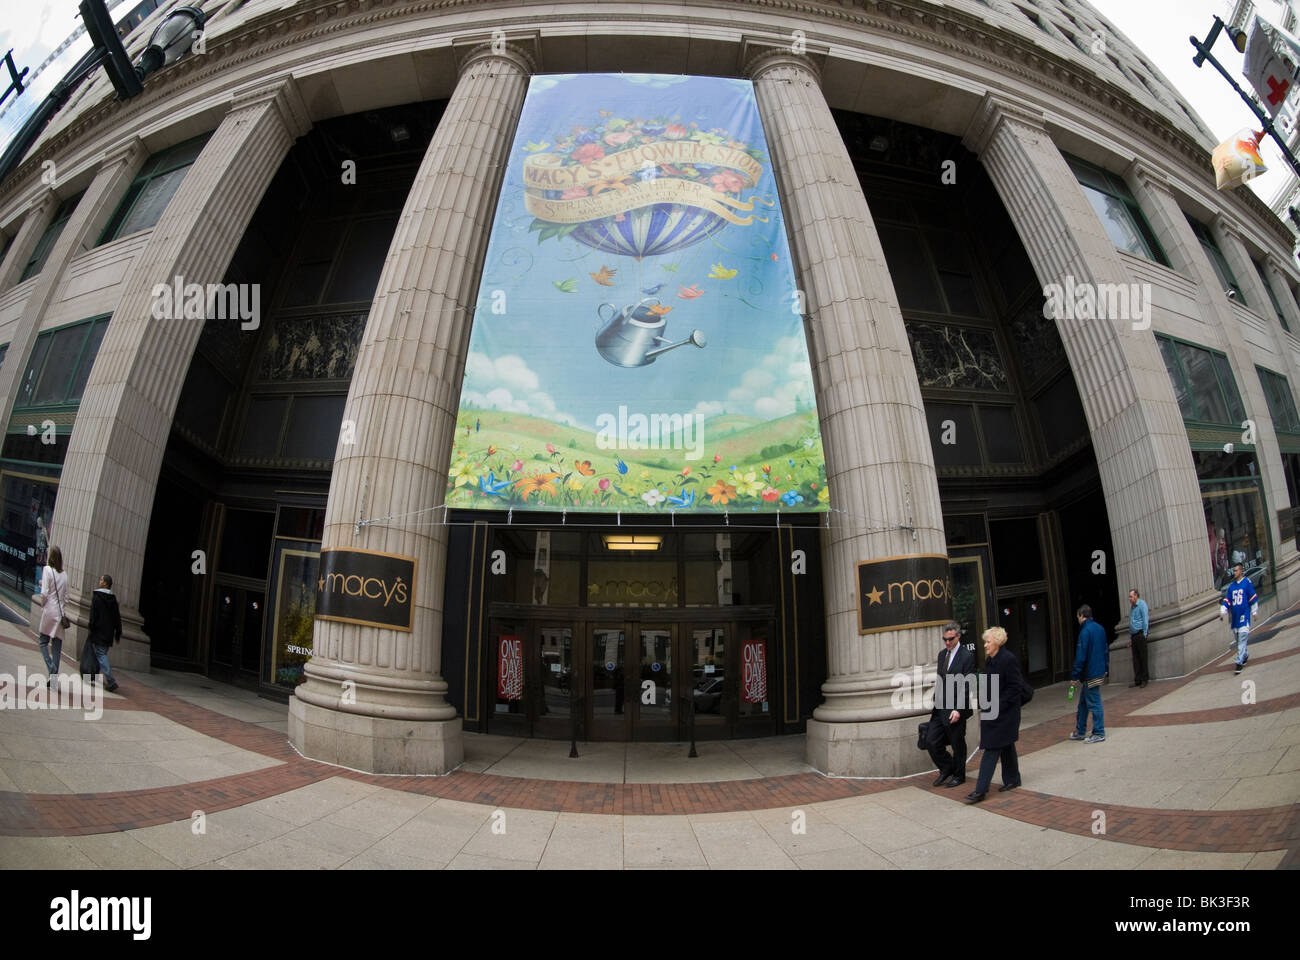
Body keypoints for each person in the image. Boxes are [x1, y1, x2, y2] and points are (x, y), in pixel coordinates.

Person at [966, 626, 1025, 803]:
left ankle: (980, 790)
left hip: (1005, 713)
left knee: (991, 748)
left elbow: (1015, 687)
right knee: (1006, 746)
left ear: (997, 642)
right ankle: (1013, 779)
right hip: (993, 711)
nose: (985, 645)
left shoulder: (1008, 659)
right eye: (985, 641)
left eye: (988, 641)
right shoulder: (991, 660)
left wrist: (998, 704)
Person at [926, 621, 974, 788]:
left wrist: (958, 709)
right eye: (944, 639)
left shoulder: (966, 656)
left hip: (956, 708)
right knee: (931, 740)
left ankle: (959, 775)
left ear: (958, 636)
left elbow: (967, 684)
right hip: (940, 707)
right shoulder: (942, 655)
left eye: (950, 639)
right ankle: (947, 767)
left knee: (957, 743)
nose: (947, 642)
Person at [1070, 604, 1108, 743]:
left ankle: (1098, 732)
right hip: (1098, 670)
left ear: (1081, 615)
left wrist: (1074, 675)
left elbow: (1081, 656)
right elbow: (1105, 649)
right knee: (1083, 703)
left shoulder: (1085, 632)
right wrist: (1105, 667)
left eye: (1078, 617)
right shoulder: (1100, 628)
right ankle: (1080, 730)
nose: (1077, 620)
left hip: (1090, 673)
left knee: (1094, 702)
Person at [36, 545, 69, 686]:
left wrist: (43, 605)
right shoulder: (65, 574)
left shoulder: (47, 570)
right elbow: (67, 597)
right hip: (60, 614)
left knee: (43, 641)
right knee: (56, 647)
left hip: (49, 610)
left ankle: (51, 668)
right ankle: (53, 678)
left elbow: (44, 593)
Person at [86, 574, 122, 693]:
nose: (99, 581)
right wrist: (117, 634)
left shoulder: (97, 597)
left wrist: (91, 628)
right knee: (100, 654)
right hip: (108, 633)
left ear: (105, 583)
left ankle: (111, 681)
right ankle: (92, 676)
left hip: (98, 631)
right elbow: (117, 618)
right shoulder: (113, 599)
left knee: (100, 655)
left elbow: (93, 616)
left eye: (101, 579)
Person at [1220, 562, 1258, 675]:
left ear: (1241, 571)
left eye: (1236, 570)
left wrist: (1254, 612)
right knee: (1239, 640)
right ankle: (1244, 655)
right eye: (1234, 570)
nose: (1234, 572)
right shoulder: (1231, 587)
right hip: (1235, 619)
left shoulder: (1247, 583)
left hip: (1244, 616)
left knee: (1242, 638)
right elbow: (1227, 601)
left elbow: (1252, 598)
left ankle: (1239, 662)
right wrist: (1223, 611)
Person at [1128, 588, 1149, 688]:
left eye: (1131, 596)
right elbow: (1132, 622)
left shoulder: (1142, 605)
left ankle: (1144, 679)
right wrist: (1130, 637)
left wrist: (1144, 634)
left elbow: (1145, 619)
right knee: (1135, 659)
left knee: (1143, 658)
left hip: (1140, 634)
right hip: (1134, 635)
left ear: (1136, 596)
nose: (1129, 598)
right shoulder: (1132, 607)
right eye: (1129, 596)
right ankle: (1138, 680)